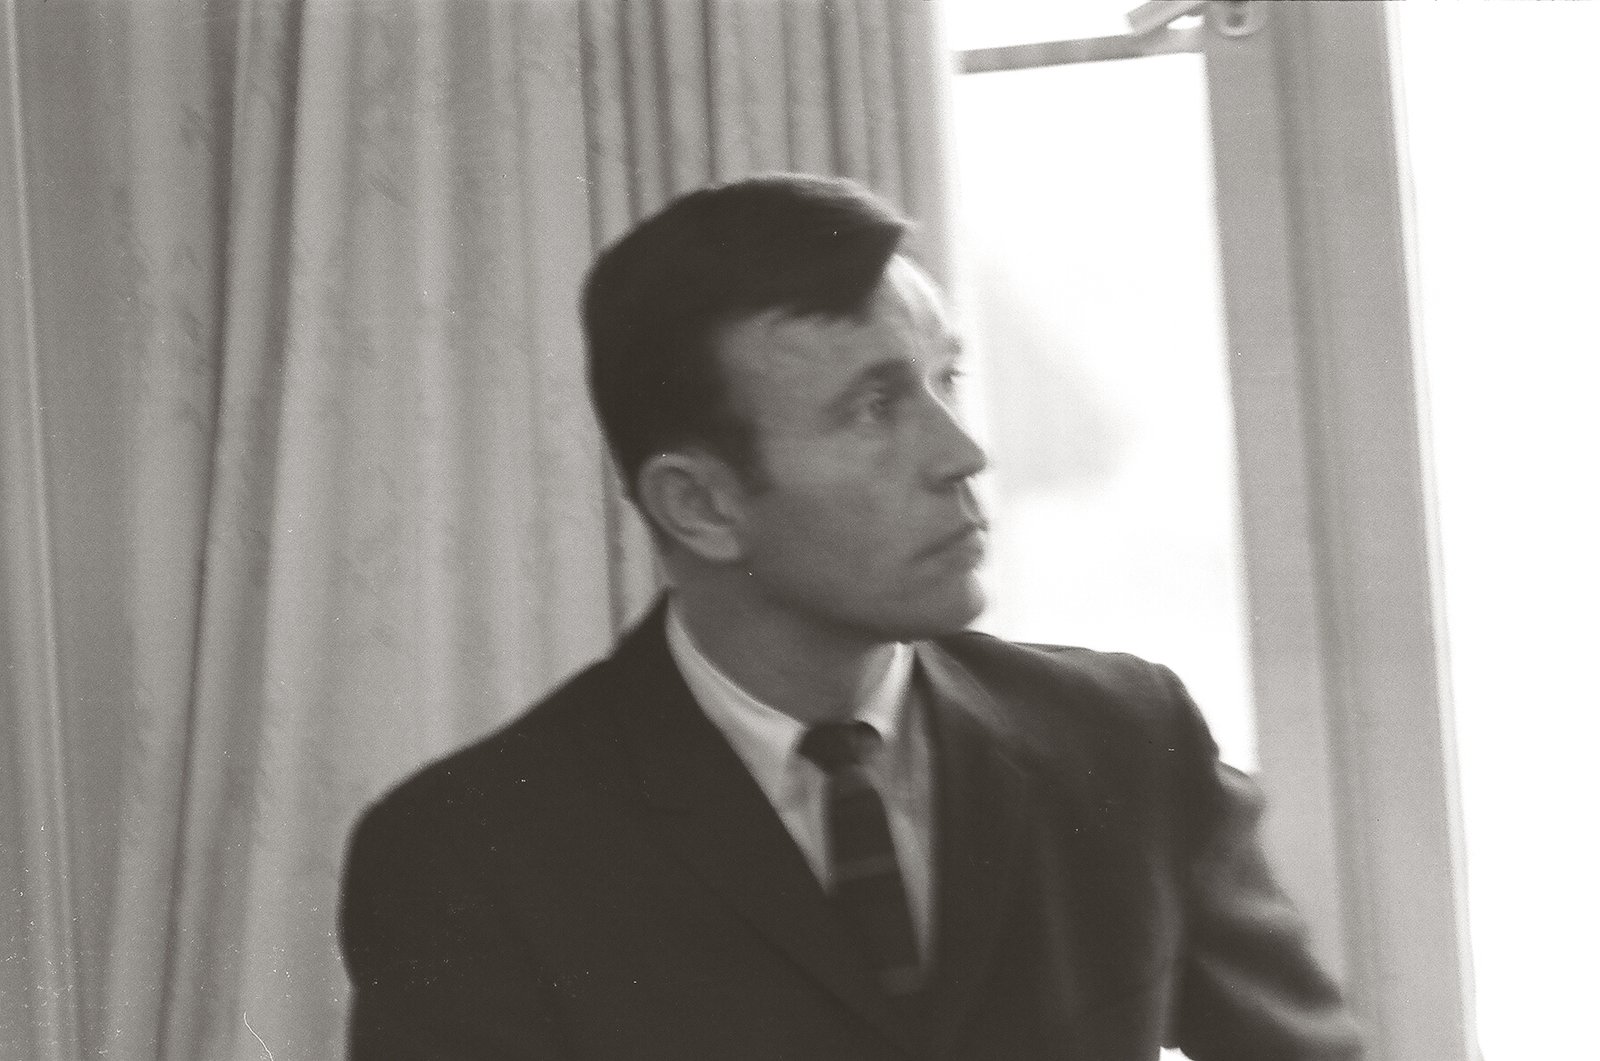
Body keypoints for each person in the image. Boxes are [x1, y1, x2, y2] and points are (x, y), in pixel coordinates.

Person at [339, 173, 1364, 1060]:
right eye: (874, 408)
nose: (961, 453)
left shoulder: (1124, 742)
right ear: (700, 505)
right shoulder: (472, 855)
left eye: (945, 379)